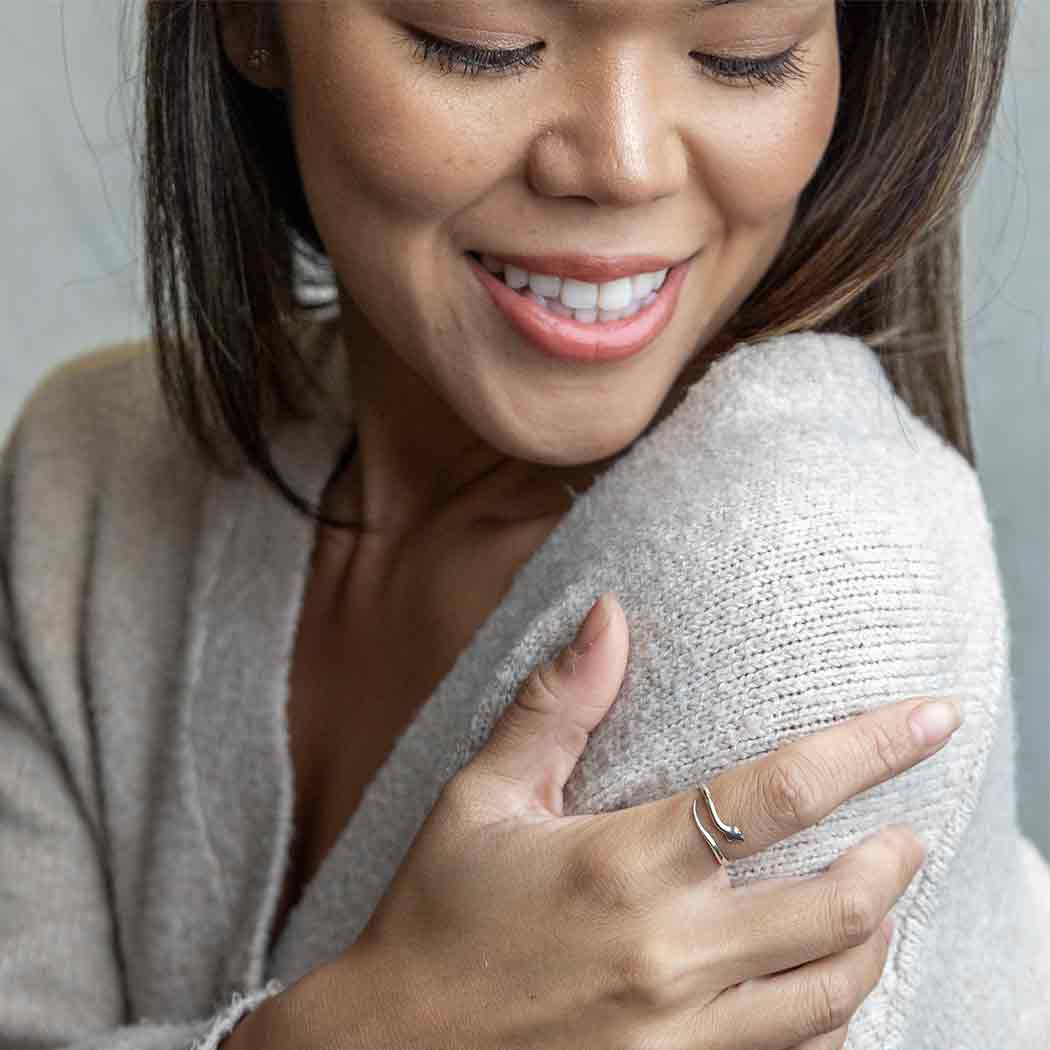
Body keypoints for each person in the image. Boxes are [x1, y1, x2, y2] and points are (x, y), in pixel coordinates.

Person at [1, 1, 1047, 1048]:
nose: (625, 164)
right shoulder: (91, 472)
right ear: (249, 19)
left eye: (745, 56)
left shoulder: (813, 579)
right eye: (480, 43)